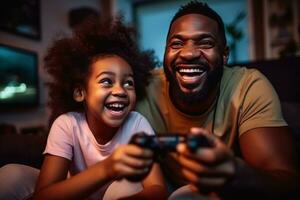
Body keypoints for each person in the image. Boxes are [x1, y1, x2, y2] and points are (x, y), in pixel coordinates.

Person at [135, 1, 300, 199]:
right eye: (177, 44)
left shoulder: (247, 86)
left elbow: (287, 182)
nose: (188, 53)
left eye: (205, 43)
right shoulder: (140, 89)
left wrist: (235, 174)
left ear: (224, 55)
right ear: (165, 52)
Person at [1, 18, 168, 200]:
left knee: (128, 186)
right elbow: (44, 195)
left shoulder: (137, 124)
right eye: (106, 81)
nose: (120, 90)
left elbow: (158, 190)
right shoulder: (67, 124)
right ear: (81, 92)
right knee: (11, 174)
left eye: (128, 83)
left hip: (116, 196)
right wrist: (107, 168)